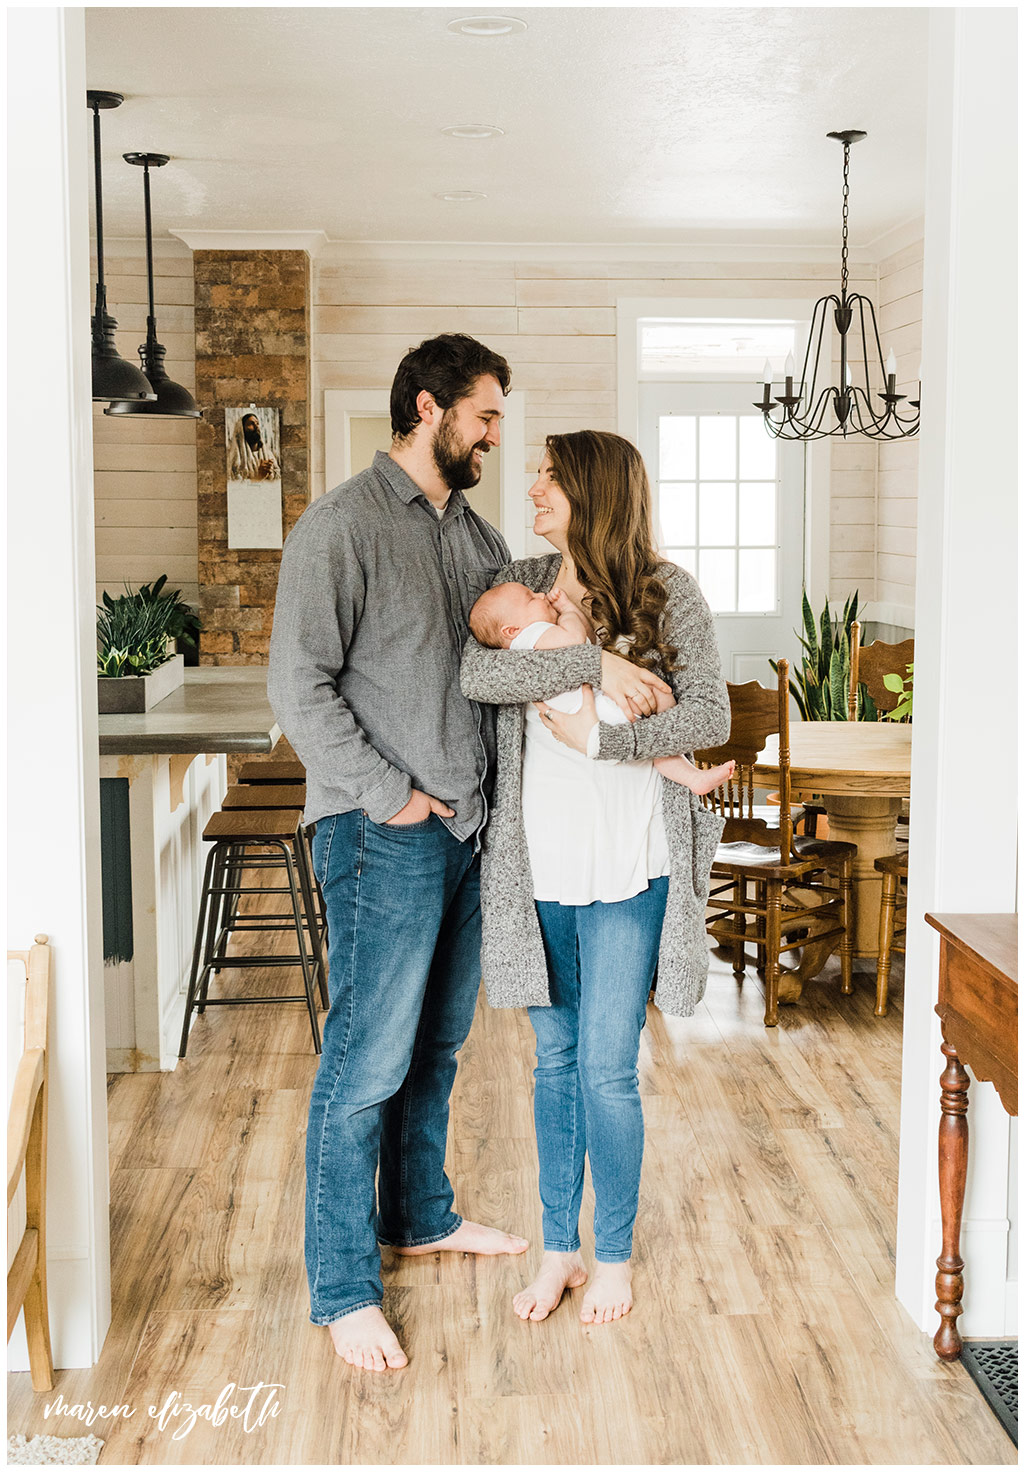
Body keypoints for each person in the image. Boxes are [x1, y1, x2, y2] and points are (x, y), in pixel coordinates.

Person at [268, 334, 530, 1375]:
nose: (494, 434)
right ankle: (341, 1287)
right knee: (365, 1061)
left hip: (463, 833)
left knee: (437, 1048)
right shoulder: (339, 526)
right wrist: (395, 798)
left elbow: (529, 643)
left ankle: (419, 1214)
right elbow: (300, 687)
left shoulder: (478, 535)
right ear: (430, 409)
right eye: (484, 414)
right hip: (381, 831)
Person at [461, 430, 729, 1326]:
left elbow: (711, 712)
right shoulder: (527, 584)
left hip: (630, 869)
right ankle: (559, 1252)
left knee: (608, 1070)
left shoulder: (667, 591)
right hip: (538, 869)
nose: (530, 487)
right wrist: (593, 663)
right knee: (555, 1065)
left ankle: (612, 1254)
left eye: (546, 476)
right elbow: (475, 669)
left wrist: (608, 739)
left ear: (592, 492)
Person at [469, 580, 735, 799]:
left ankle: (691, 776)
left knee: (658, 731)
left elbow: (584, 640)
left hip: (597, 716)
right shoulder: (529, 635)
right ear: (511, 629)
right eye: (530, 598)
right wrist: (568, 610)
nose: (540, 594)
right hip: (596, 715)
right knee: (659, 696)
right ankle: (689, 773)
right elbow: (576, 641)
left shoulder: (533, 634)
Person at [229, 410, 280, 482]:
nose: (256, 426)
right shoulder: (235, 457)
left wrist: (270, 474)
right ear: (242, 429)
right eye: (251, 424)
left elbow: (278, 478)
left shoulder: (268, 454)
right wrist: (258, 477)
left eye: (257, 423)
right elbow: (234, 484)